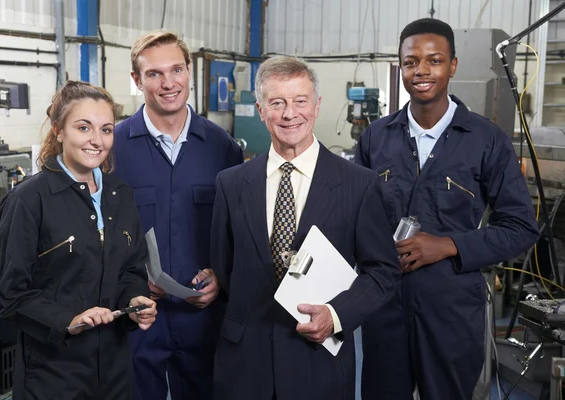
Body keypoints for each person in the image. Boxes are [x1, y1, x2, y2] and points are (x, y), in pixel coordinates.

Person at [355, 18, 539, 400]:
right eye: (410, 62)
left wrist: (448, 245)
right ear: (400, 66)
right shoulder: (376, 137)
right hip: (384, 308)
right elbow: (353, 214)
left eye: (434, 60)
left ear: (452, 65)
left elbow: (521, 227)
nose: (421, 71)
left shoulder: (487, 141)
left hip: (451, 314)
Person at [210, 55, 401, 400]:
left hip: (318, 363)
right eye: (277, 103)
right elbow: (225, 268)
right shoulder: (231, 183)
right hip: (244, 364)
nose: (289, 113)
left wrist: (337, 314)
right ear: (260, 109)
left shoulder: (359, 185)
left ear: (317, 106)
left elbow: (383, 272)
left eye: (300, 101)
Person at [0, 80, 157, 400]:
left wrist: (135, 301)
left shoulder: (119, 195)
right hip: (53, 375)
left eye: (107, 129)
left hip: (114, 372)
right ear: (58, 130)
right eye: (84, 128)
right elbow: (11, 297)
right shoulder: (30, 200)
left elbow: (132, 269)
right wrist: (68, 321)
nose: (97, 140)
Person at [112, 30, 244, 400]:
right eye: (154, 74)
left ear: (189, 73)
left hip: (204, 319)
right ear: (137, 81)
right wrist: (133, 286)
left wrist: (221, 277)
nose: (168, 83)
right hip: (137, 319)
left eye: (177, 70)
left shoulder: (222, 147)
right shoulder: (112, 149)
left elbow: (235, 233)